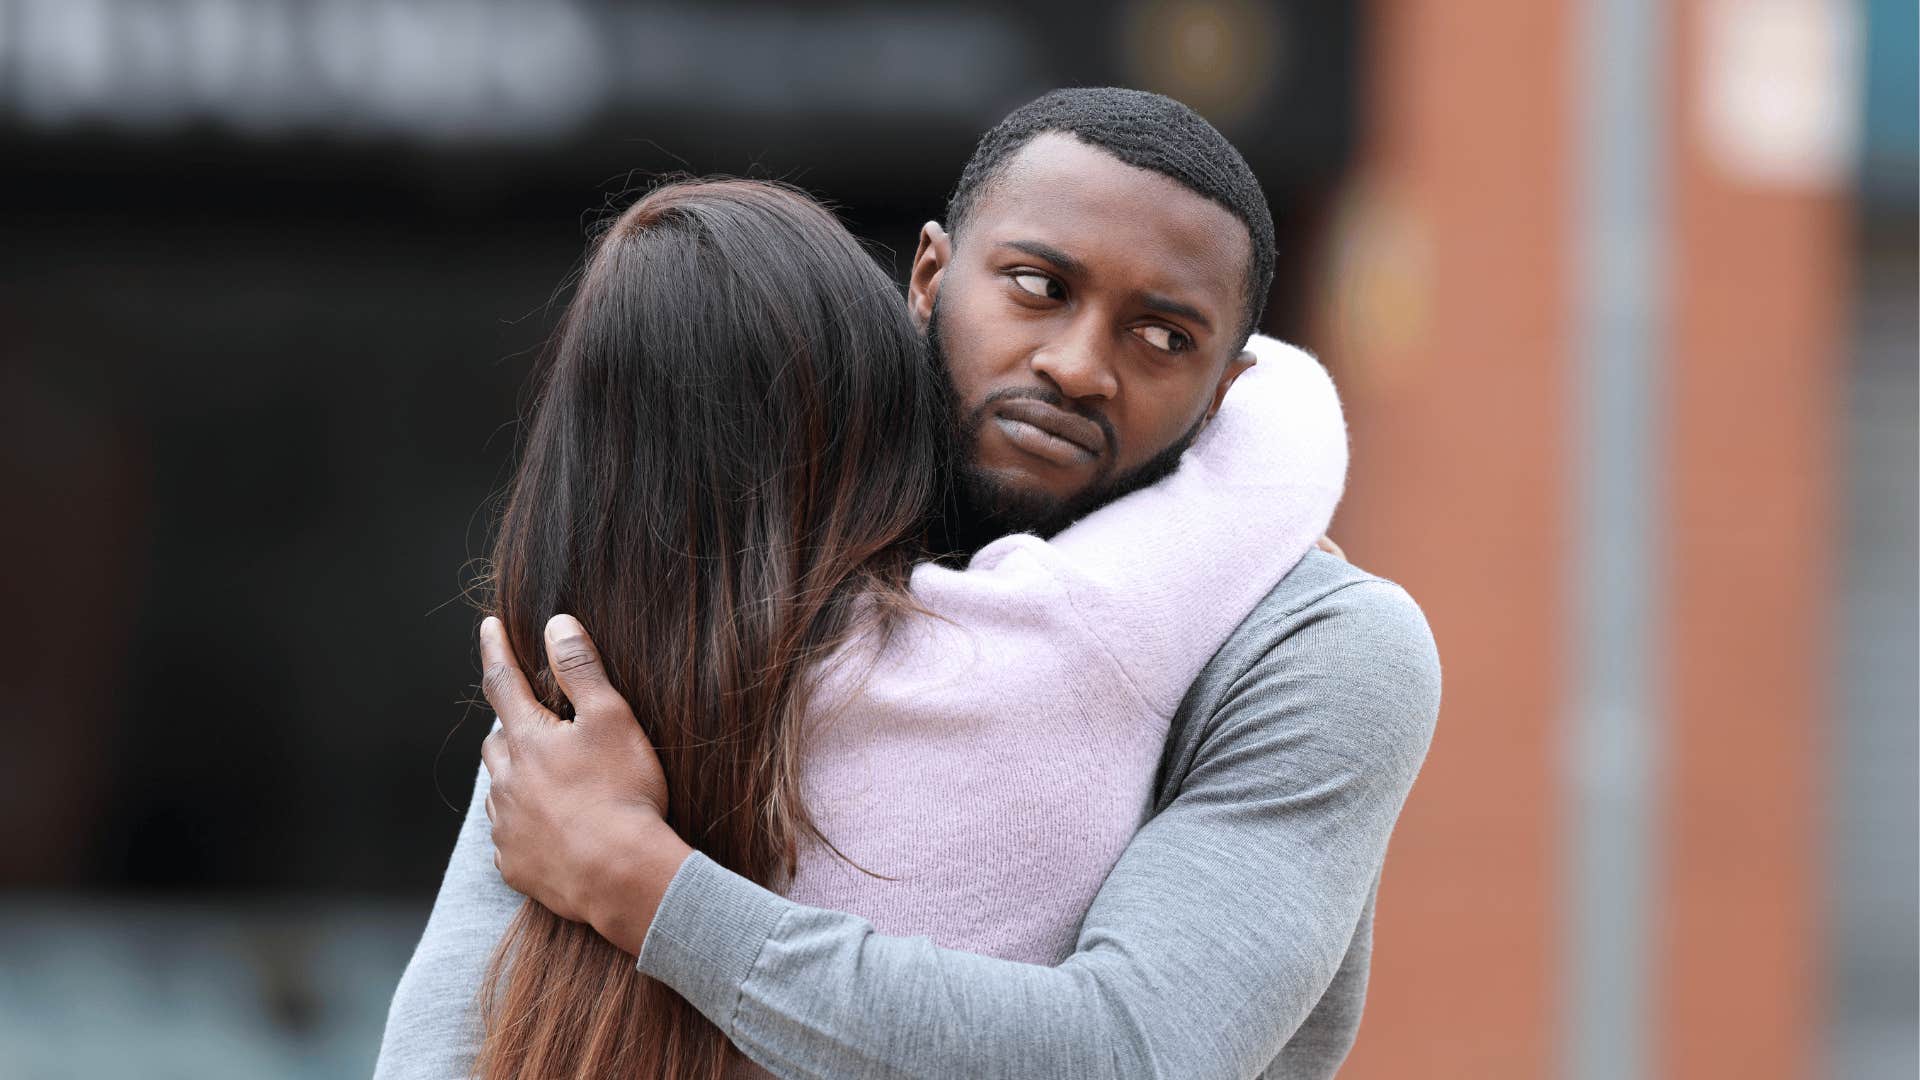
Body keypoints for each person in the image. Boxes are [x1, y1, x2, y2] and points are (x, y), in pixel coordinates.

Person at [379, 88, 1440, 1080]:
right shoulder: (748, 535)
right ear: (930, 277)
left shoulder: (1316, 650)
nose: (1077, 365)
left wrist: (648, 891)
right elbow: (445, 1042)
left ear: (1223, 396)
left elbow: (1132, 1051)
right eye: (1039, 286)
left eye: (1163, 337)